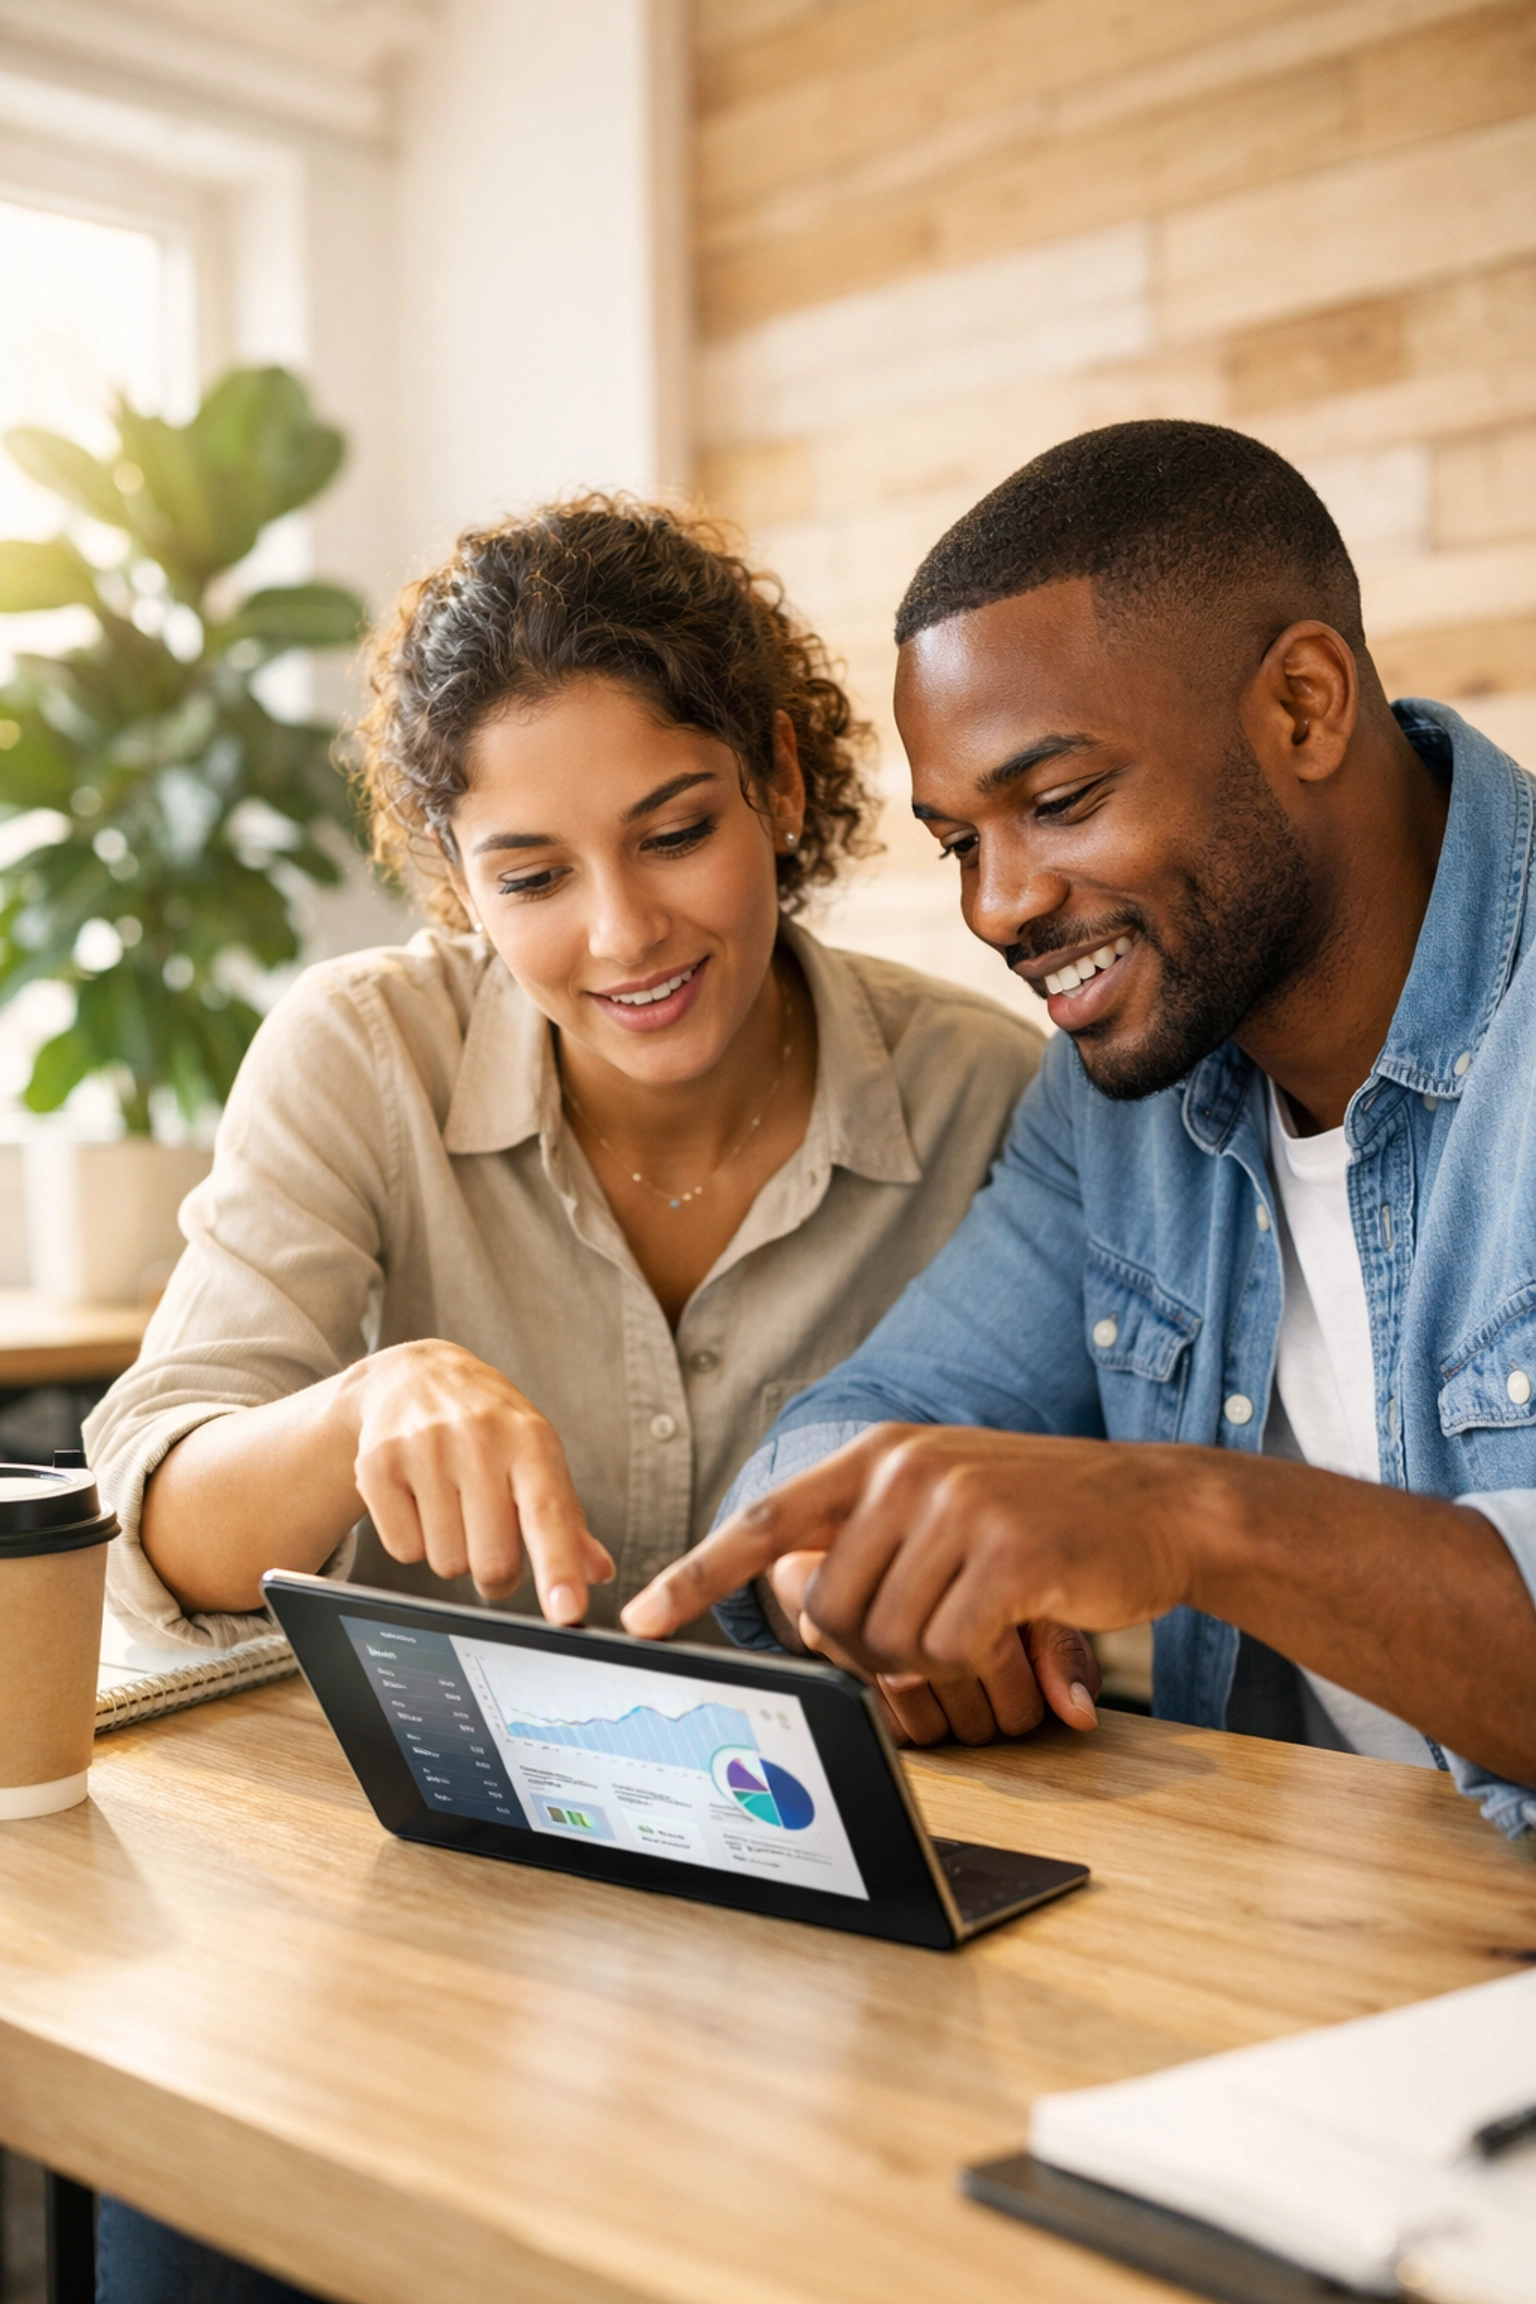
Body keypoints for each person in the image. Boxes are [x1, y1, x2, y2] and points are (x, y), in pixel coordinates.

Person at [83, 501, 1057, 2303]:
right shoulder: (361, 1054)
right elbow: (154, 1519)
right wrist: (361, 1407)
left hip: (813, 1954)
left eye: (675, 833)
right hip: (395, 1921)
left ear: (779, 782)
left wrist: (971, 1626)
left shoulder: (988, 1098)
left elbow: (1057, 1579)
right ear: (459, 883)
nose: (624, 932)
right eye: (531, 877)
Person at [624, 421, 1536, 1840]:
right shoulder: (1126, 1092)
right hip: (1328, 1924)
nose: (998, 907)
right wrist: (862, 1578)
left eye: (1058, 802)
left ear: (1303, 706)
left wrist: (1182, 1517)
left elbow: (1163, 1514)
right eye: (960, 842)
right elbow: (871, 1420)